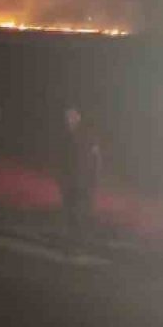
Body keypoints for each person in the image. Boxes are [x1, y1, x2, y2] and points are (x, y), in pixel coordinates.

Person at [58, 106, 101, 254]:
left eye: (71, 118)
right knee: (73, 212)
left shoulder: (86, 136)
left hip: (82, 182)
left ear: (78, 118)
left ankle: (78, 242)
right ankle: (75, 241)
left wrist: (94, 179)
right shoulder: (68, 136)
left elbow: (95, 159)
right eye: (67, 118)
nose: (68, 121)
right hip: (73, 181)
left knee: (79, 212)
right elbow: (65, 160)